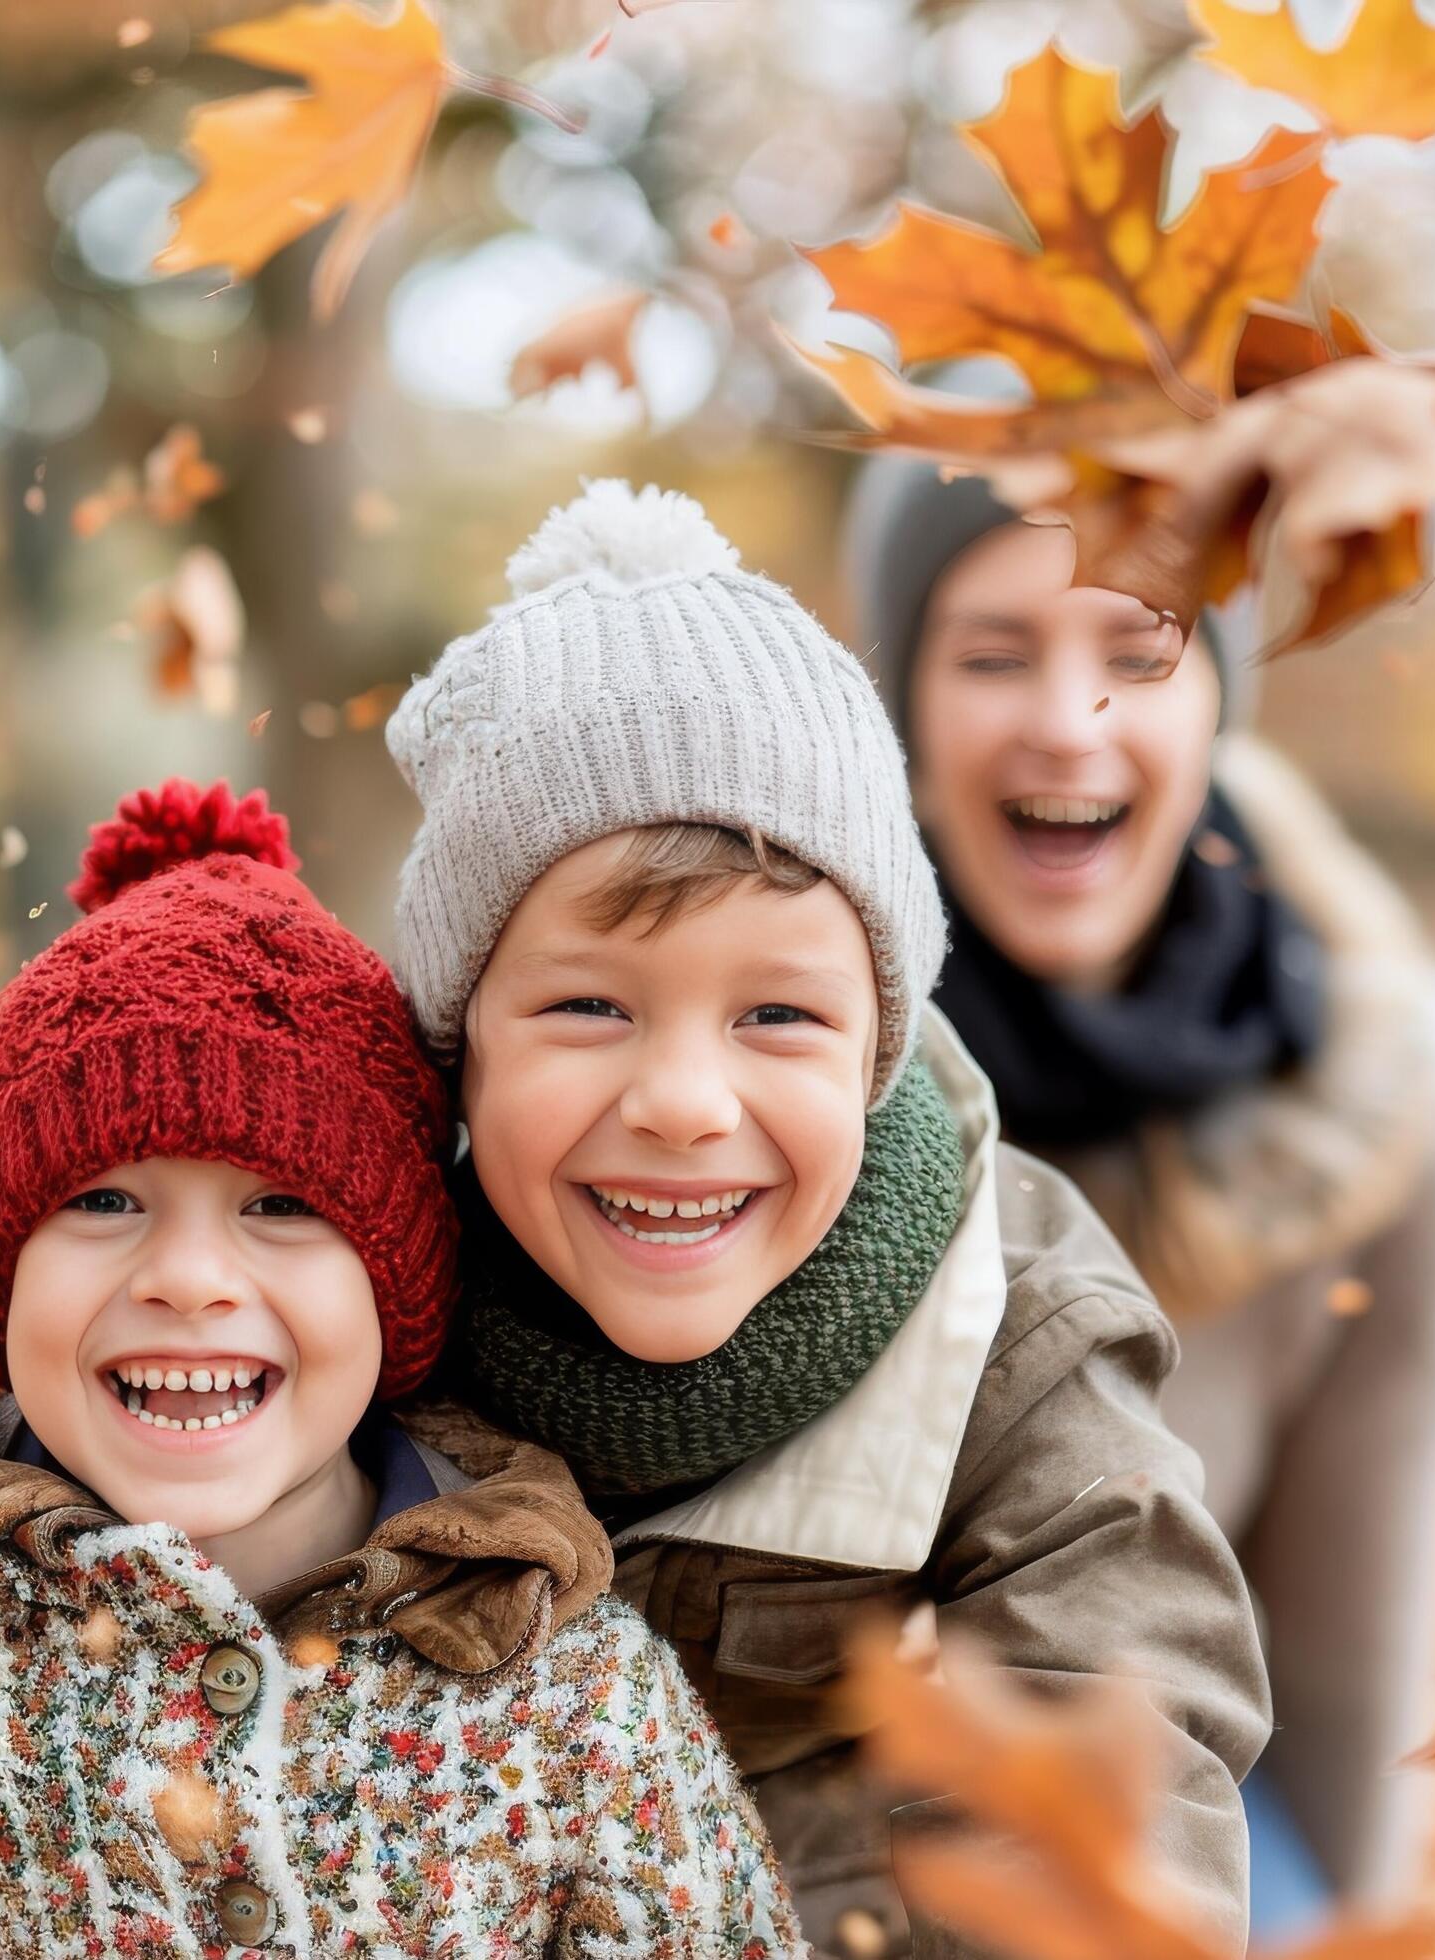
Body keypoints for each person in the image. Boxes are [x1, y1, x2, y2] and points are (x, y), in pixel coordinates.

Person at [0, 779, 807, 1959]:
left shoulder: (556, 1678)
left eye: (282, 1204)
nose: (189, 1279)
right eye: (105, 1199)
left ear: (397, 1285)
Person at [380, 480, 1272, 1951]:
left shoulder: (1006, 1318)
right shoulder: (347, 1267)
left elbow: (1115, 1729)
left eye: (779, 1015)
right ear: (459, 1043)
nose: (682, 1100)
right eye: (590, 1005)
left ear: (876, 1048)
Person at [843, 462, 1435, 1931]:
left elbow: (1347, 1644)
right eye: (993, 655)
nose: (1066, 720)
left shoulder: (1389, 1087)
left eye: (1138, 653)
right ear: (905, 709)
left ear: (1214, 696)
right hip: (801, 1778)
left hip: (1179, 1795)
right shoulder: (794, 1050)